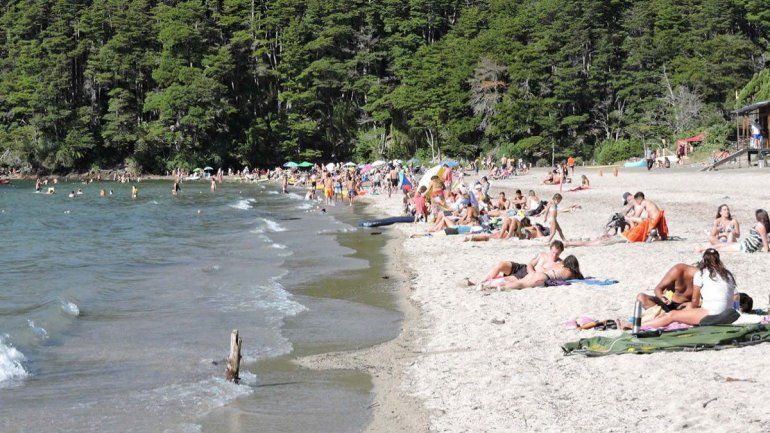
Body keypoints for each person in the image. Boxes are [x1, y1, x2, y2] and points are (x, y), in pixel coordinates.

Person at [643, 249, 737, 328]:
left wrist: (688, 311)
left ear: (704, 260)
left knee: (672, 315)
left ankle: (638, 326)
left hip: (711, 313)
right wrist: (735, 310)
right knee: (682, 312)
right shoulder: (728, 274)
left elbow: (695, 301)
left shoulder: (700, 274)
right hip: (728, 312)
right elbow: (736, 296)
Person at [476, 241, 565, 284]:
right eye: (553, 252)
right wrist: (531, 272)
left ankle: (484, 284)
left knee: (504, 280)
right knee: (501, 264)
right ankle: (482, 281)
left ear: (561, 253)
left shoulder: (559, 264)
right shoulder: (542, 255)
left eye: (557, 254)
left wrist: (532, 275)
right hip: (523, 268)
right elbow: (530, 264)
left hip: (525, 277)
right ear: (550, 249)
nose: (554, 255)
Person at [705, 209, 770, 253]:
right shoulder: (762, 226)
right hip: (745, 244)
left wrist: (766, 249)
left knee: (722, 248)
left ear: (758, 217)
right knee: (723, 245)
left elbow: (765, 242)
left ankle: (704, 250)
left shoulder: (760, 226)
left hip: (745, 247)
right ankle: (704, 249)